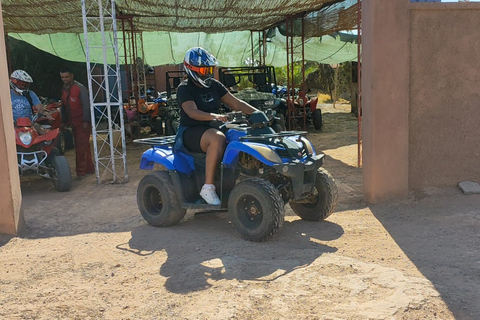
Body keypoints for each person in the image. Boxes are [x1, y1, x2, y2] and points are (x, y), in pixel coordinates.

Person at [176, 47, 259, 205]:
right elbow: (192, 112)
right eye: (203, 69)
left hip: (214, 125)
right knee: (217, 139)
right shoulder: (184, 89)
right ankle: (208, 187)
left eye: (209, 69)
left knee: (243, 133)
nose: (207, 73)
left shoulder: (214, 85)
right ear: (192, 69)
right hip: (191, 131)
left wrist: (259, 113)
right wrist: (215, 116)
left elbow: (236, 103)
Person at [59, 67, 95, 179]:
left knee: (80, 148)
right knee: (84, 146)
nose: (64, 79)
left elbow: (86, 105)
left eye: (66, 77)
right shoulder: (64, 89)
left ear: (72, 76)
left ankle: (80, 172)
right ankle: (89, 168)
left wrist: (86, 121)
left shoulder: (80, 88)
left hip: (82, 122)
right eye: (62, 77)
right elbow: (64, 107)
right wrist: (64, 121)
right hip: (73, 122)